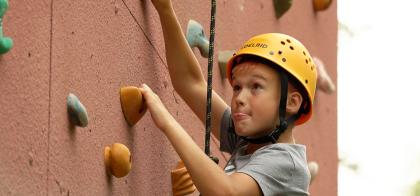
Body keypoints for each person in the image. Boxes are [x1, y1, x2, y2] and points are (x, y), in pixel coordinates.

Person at [139, 0, 318, 195]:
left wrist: (166, 121)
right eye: (237, 87)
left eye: (256, 86)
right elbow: (190, 83)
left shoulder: (287, 163)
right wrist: (165, 10)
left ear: (291, 102)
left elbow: (227, 192)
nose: (240, 97)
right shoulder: (247, 141)